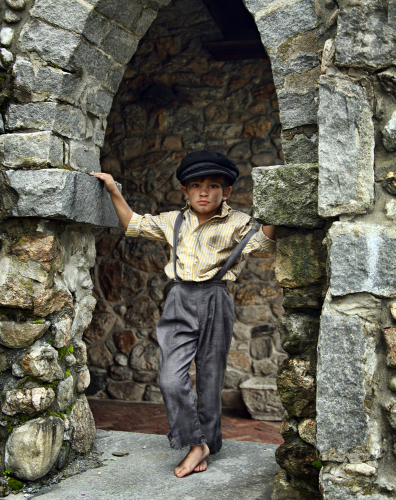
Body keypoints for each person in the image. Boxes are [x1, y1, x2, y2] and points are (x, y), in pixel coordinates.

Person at [93, 150, 275, 478]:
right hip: (179, 299)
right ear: (185, 191)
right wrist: (113, 190)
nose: (204, 192)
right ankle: (196, 440)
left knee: (210, 376)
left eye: (213, 185)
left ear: (227, 191)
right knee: (170, 378)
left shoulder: (239, 223)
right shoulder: (173, 220)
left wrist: (280, 206)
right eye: (196, 185)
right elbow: (133, 223)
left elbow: (262, 243)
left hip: (217, 299)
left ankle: (204, 444)